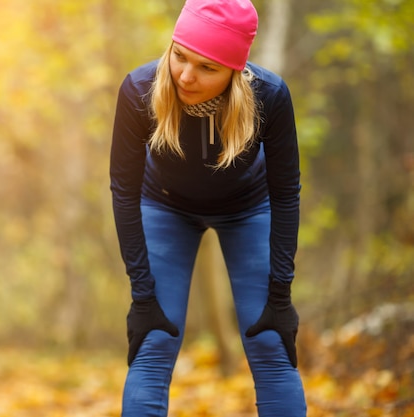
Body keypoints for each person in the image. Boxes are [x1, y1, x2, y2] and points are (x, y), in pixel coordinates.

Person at [109, 0, 307, 416]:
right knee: (154, 339)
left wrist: (281, 294)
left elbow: (286, 193)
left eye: (206, 67)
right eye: (179, 56)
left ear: (234, 71)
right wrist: (143, 297)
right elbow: (123, 192)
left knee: (269, 339)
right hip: (164, 206)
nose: (185, 75)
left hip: (248, 209)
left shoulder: (268, 96)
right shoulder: (140, 89)